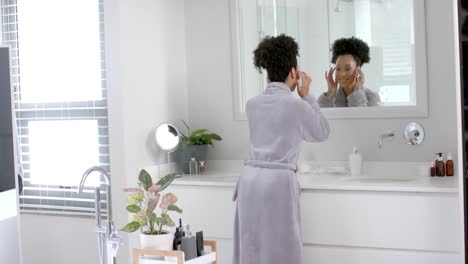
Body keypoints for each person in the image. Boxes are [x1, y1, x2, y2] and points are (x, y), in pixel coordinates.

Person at [232, 34, 330, 264]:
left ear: (266, 72)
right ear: (294, 72)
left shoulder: (252, 104)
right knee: (281, 250)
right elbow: (322, 131)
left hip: (249, 182)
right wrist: (308, 97)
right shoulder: (296, 105)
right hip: (276, 184)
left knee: (251, 247)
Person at [318, 36, 381, 107]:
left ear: (358, 69)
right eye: (338, 69)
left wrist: (357, 94)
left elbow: (361, 117)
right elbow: (320, 116)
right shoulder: (331, 97)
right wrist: (330, 92)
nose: (342, 74)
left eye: (347, 69)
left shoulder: (372, 97)